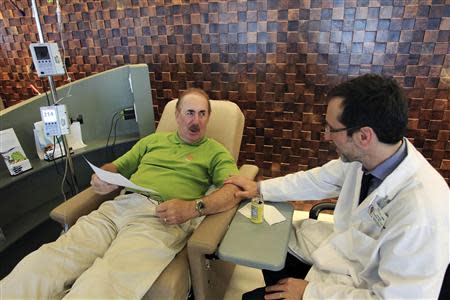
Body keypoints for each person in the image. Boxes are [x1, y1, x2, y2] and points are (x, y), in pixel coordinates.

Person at [0, 88, 240, 299]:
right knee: (47, 261)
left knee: (103, 281)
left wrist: (192, 207)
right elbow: (116, 167)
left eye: (202, 113)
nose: (195, 121)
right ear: (177, 115)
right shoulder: (152, 141)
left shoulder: (215, 152)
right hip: (117, 208)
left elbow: (232, 190)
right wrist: (102, 176)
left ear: (209, 117)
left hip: (158, 219)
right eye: (189, 112)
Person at [226, 74, 449, 299]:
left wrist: (309, 293)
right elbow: (317, 179)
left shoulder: (422, 213)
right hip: (346, 256)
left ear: (364, 136)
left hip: (362, 287)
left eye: (332, 129)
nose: (325, 136)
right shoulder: (371, 156)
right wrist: (259, 189)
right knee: (271, 243)